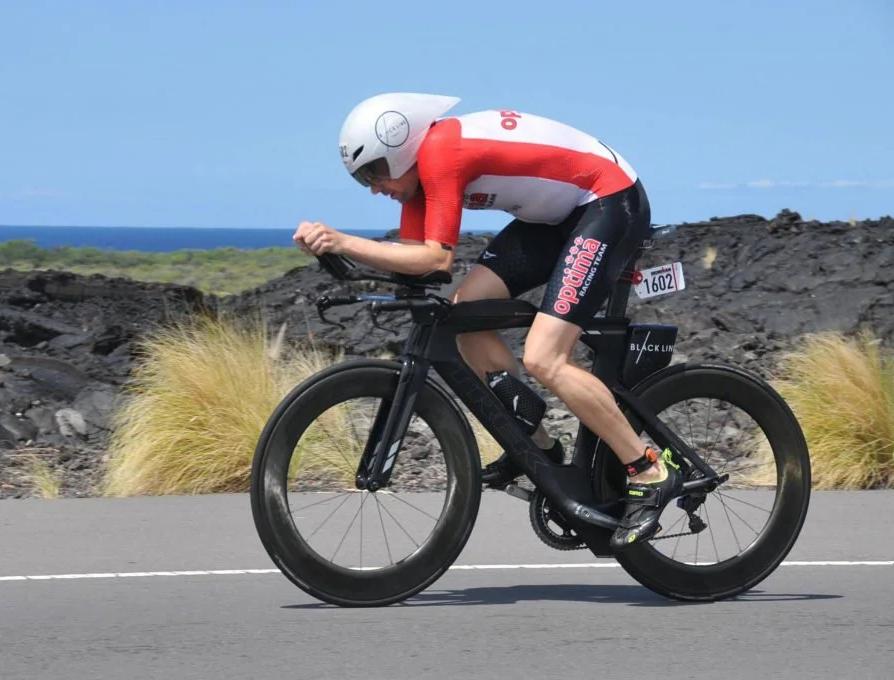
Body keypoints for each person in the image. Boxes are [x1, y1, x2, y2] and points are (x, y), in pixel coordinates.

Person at [292, 92, 682, 550]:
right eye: (362, 179)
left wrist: (343, 241)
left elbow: (434, 255)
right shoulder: (417, 178)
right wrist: (336, 255)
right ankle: (538, 449)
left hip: (607, 200)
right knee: (465, 313)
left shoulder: (440, 154)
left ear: (401, 149)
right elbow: (422, 268)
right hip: (554, 217)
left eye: (374, 172)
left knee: (544, 357)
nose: (373, 186)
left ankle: (649, 469)